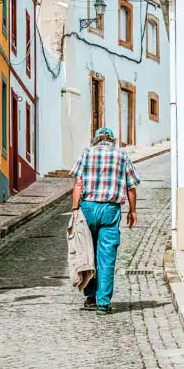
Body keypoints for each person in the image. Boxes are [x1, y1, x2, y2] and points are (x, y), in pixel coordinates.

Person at [70, 126, 140, 315]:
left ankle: (90, 296)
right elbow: (131, 187)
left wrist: (75, 208)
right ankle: (103, 302)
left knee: (87, 251)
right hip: (110, 209)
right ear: (112, 140)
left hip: (88, 208)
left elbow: (78, 183)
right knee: (107, 256)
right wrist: (132, 211)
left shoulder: (86, 154)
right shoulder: (122, 156)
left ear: (96, 140)